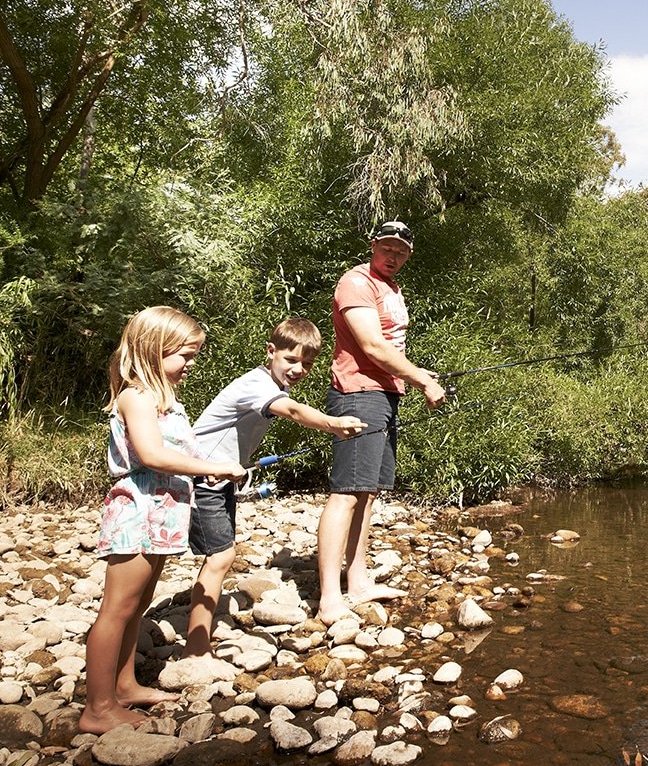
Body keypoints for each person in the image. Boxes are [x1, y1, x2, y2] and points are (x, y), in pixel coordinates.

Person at [173, 317, 365, 680]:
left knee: (218, 555)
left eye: (306, 364)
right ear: (271, 351)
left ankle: (194, 638)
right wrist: (333, 423)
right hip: (201, 476)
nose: (298, 369)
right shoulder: (255, 384)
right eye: (291, 360)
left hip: (218, 477)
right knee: (220, 555)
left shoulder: (267, 382)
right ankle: (196, 649)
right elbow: (292, 412)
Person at [82, 306, 245, 733]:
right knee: (115, 610)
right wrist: (219, 468)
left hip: (164, 513)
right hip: (138, 511)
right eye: (184, 356)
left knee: (137, 607)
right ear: (154, 351)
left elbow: (174, 455)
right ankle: (97, 708)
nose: (190, 365)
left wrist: (204, 467)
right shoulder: (136, 396)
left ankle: (125, 686)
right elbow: (151, 455)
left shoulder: (166, 401)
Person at [316, 220, 448, 622]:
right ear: (374, 246)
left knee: (368, 492)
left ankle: (357, 582)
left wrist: (409, 379)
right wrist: (422, 377)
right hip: (358, 393)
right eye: (386, 248)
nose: (392, 256)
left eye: (401, 251)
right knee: (346, 491)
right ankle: (328, 598)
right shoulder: (357, 283)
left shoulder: (392, 288)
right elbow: (372, 345)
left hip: (386, 395)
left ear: (408, 254)